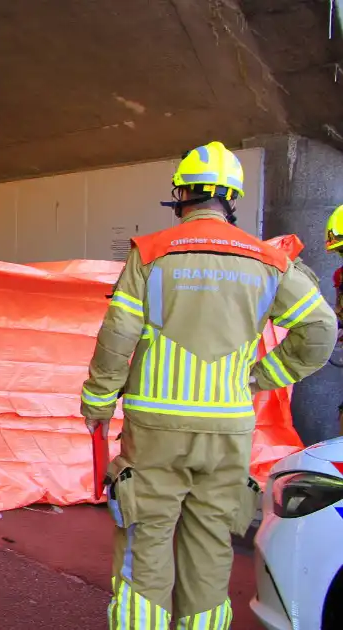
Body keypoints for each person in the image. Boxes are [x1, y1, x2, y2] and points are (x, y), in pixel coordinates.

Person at [79, 141, 335, 628]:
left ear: (181, 196)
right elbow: (319, 331)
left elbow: (118, 335)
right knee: (211, 549)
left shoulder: (152, 254)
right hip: (227, 433)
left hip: (155, 429)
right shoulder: (268, 261)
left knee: (146, 542)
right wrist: (262, 377)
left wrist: (98, 399)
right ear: (230, 199)